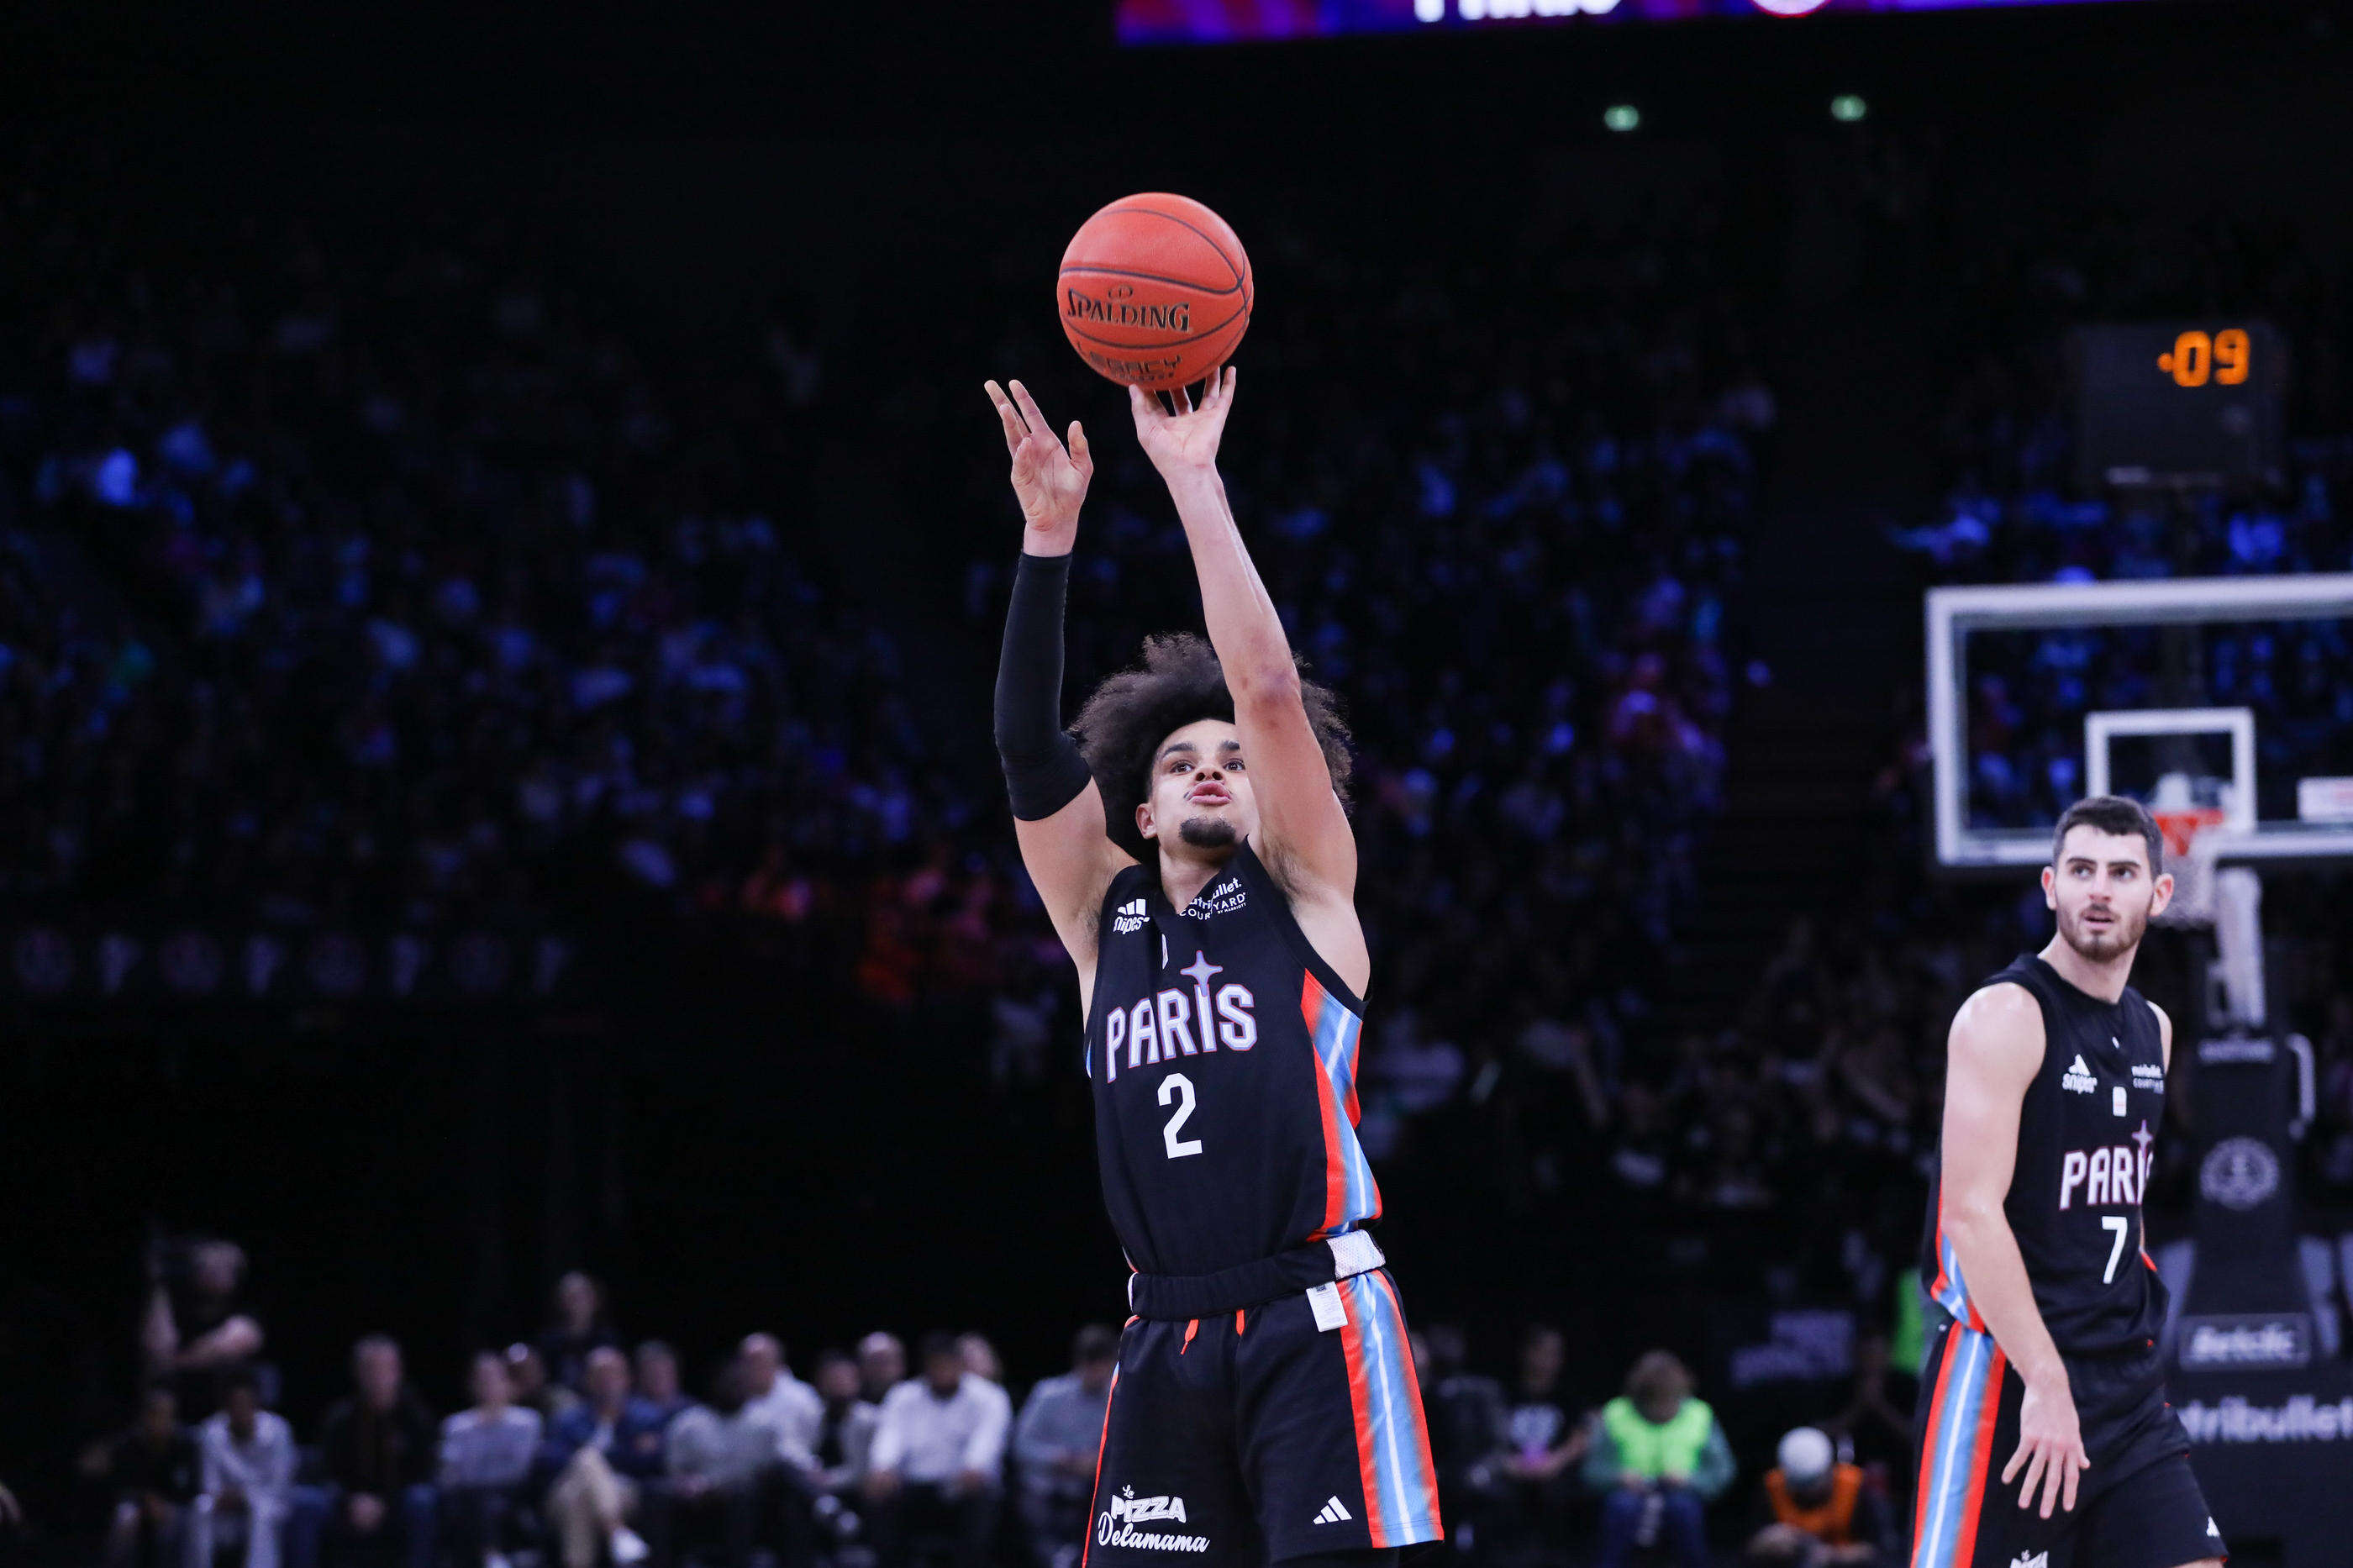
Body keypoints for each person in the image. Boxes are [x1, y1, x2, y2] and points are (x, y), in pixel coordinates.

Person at [984, 368, 1440, 1568]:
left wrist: (1193, 481)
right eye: (1182, 758)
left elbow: (1272, 690)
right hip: (1163, 1329)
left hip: (1313, 1310)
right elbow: (1028, 750)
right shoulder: (1101, 918)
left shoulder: (1303, 892)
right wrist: (1047, 539)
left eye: (1232, 760)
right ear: (1135, 804)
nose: (1210, 768)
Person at [1913, 797, 2224, 1568]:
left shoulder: (2154, 1025)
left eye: (2122, 873)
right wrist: (2046, 1379)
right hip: (2008, 1374)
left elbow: (2125, 1198)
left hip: (2121, 1386)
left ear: (2159, 895)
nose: (2099, 890)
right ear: (2051, 886)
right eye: (2082, 870)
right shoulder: (2005, 1014)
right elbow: (1971, 1215)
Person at [863, 1335, 1009, 1568]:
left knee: (982, 1496)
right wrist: (883, 1467)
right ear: (926, 1367)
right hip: (915, 1485)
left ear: (960, 1364)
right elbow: (890, 1437)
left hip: (963, 1485)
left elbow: (987, 1442)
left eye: (948, 1364)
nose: (942, 1371)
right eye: (936, 1365)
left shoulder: (988, 1396)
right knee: (879, 1495)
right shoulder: (903, 1395)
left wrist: (974, 1466)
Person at [1580, 1350, 1732, 1568]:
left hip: (1683, 1495)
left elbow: (1723, 1471)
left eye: (1668, 1402)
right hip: (1627, 1496)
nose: (1662, 1411)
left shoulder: (1700, 1414)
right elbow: (1591, 1472)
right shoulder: (1616, 1413)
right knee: (1621, 1507)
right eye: (1655, 1403)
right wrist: (1617, 1478)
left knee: (1683, 1509)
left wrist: (1691, 1480)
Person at [299, 1336, 436, 1568]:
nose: (377, 1377)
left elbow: (426, 1472)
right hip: (348, 1508)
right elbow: (323, 1473)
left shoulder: (416, 1418)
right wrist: (349, 1501)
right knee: (304, 1503)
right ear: (357, 1373)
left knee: (422, 1500)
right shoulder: (340, 1419)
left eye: (384, 1369)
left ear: (398, 1372)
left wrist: (384, 1504)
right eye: (369, 1369)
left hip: (397, 1507)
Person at [539, 1347, 660, 1568]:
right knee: (586, 1460)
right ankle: (616, 1531)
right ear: (587, 1381)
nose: (607, 1382)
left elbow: (647, 1461)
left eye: (614, 1374)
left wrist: (593, 1458)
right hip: (563, 1490)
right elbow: (551, 1460)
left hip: (622, 1489)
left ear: (627, 1379)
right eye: (599, 1376)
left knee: (579, 1494)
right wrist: (620, 1453)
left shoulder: (645, 1417)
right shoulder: (567, 1419)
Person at [1011, 1326, 1117, 1568]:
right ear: (1078, 1361)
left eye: (1101, 1364)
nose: (1095, 1372)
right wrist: (1058, 1459)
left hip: (1096, 1487)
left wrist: (1099, 1460)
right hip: (1048, 1485)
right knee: (1032, 1501)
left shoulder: (1119, 1397)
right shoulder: (1049, 1394)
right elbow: (1021, 1445)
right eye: (1090, 1364)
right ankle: (1056, 1558)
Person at [663, 1358, 774, 1568]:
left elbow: (766, 1470)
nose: (734, 1388)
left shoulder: (764, 1424)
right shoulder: (689, 1423)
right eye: (729, 1382)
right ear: (715, 1385)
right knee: (659, 1494)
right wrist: (686, 1483)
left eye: (739, 1383)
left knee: (743, 1494)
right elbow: (674, 1467)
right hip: (696, 1501)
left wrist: (720, 1485)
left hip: (747, 1502)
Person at [436, 1352, 542, 1568]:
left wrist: (479, 1473)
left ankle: (492, 1556)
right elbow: (450, 1475)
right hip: (469, 1499)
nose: (489, 1386)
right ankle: (492, 1557)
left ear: (508, 1384)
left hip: (514, 1494)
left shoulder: (527, 1422)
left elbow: (520, 1469)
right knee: (471, 1499)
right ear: (472, 1386)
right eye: (482, 1380)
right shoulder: (456, 1426)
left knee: (484, 1498)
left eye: (495, 1379)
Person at [142, 1239, 266, 1418]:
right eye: (207, 1263)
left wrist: (175, 1361)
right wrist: (159, 1285)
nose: (215, 1269)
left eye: (225, 1265)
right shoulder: (177, 1307)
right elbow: (157, 1348)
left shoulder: (245, 1311)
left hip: (226, 1418)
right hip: (177, 1413)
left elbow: (234, 1343)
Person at [1496, 1326, 1589, 1560]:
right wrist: (1507, 1462)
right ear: (1526, 1353)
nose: (1546, 1360)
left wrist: (1556, 1462)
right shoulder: (1503, 1392)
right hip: (1511, 1470)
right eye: (1540, 1351)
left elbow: (1580, 1437)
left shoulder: (1568, 1395)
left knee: (1560, 1498)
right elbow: (1488, 1435)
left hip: (1555, 1471)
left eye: (1554, 1353)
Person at [192, 1371, 297, 1568]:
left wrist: (246, 1497)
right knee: (201, 1507)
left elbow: (280, 1484)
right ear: (226, 1408)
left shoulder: (277, 1430)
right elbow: (209, 1484)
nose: (240, 1411)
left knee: (261, 1512)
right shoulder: (211, 1431)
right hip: (225, 1504)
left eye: (245, 1404)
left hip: (267, 1501)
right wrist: (222, 1497)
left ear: (255, 1405)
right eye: (234, 1405)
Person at [1746, 1427, 1894, 1567]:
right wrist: (1765, 1542)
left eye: (1812, 1482)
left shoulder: (1858, 1490)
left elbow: (1882, 1550)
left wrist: (1832, 1555)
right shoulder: (1772, 1490)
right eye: (1799, 1484)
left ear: (1830, 1468)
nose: (1807, 1491)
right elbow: (1746, 1547)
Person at [104, 1386, 200, 1568]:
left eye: (166, 1415)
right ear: (145, 1417)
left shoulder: (186, 1444)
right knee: (124, 1517)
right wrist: (144, 1500)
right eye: (155, 1414)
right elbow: (120, 1485)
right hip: (138, 1503)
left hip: (176, 1505)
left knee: (180, 1520)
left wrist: (167, 1504)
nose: (160, 1421)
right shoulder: (129, 1444)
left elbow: (193, 1487)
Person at [740, 1334, 822, 1473]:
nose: (754, 1367)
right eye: (748, 1362)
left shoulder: (803, 1396)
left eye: (759, 1360)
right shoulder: (737, 1400)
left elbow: (815, 1438)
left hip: (799, 1473)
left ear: (776, 1361)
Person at [538, 1275, 621, 1397]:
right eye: (571, 1298)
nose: (577, 1303)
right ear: (560, 1301)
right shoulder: (548, 1341)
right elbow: (544, 1380)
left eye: (582, 1296)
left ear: (595, 1299)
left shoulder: (608, 1338)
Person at [855, 1334, 906, 1408]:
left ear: (900, 1365)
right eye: (874, 1362)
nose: (881, 1369)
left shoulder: (916, 1397)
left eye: (886, 1361)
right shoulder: (853, 1404)